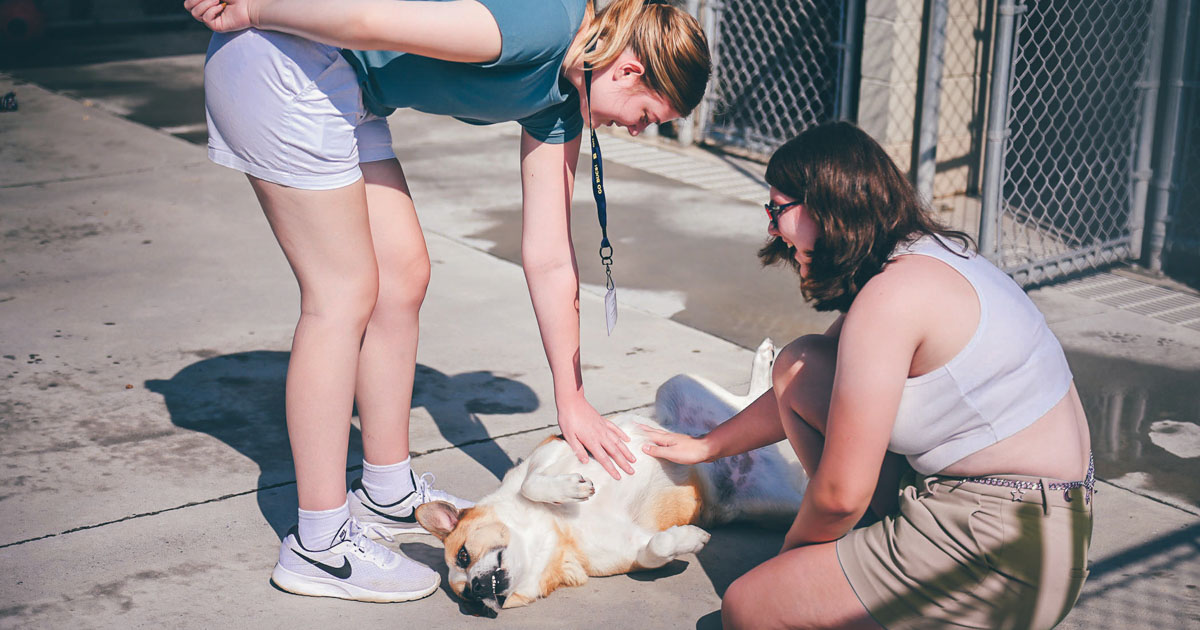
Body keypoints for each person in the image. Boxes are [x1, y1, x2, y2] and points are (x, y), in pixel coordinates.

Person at [181, 0, 711, 603]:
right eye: (647, 116)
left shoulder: (564, 99)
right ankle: (319, 546)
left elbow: (550, 254)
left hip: (344, 84)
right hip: (283, 57)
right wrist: (251, 7)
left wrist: (573, 398)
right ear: (630, 70)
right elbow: (363, 22)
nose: (639, 131)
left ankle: (385, 491)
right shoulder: (542, 26)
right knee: (341, 292)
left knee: (401, 275)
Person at [641, 121, 1094, 629]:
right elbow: (797, 378)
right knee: (801, 361)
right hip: (1039, 529)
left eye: (777, 210)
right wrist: (707, 446)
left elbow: (840, 495)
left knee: (751, 607)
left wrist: (792, 563)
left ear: (826, 205)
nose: (771, 227)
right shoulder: (924, 256)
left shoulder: (889, 301)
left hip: (998, 549)